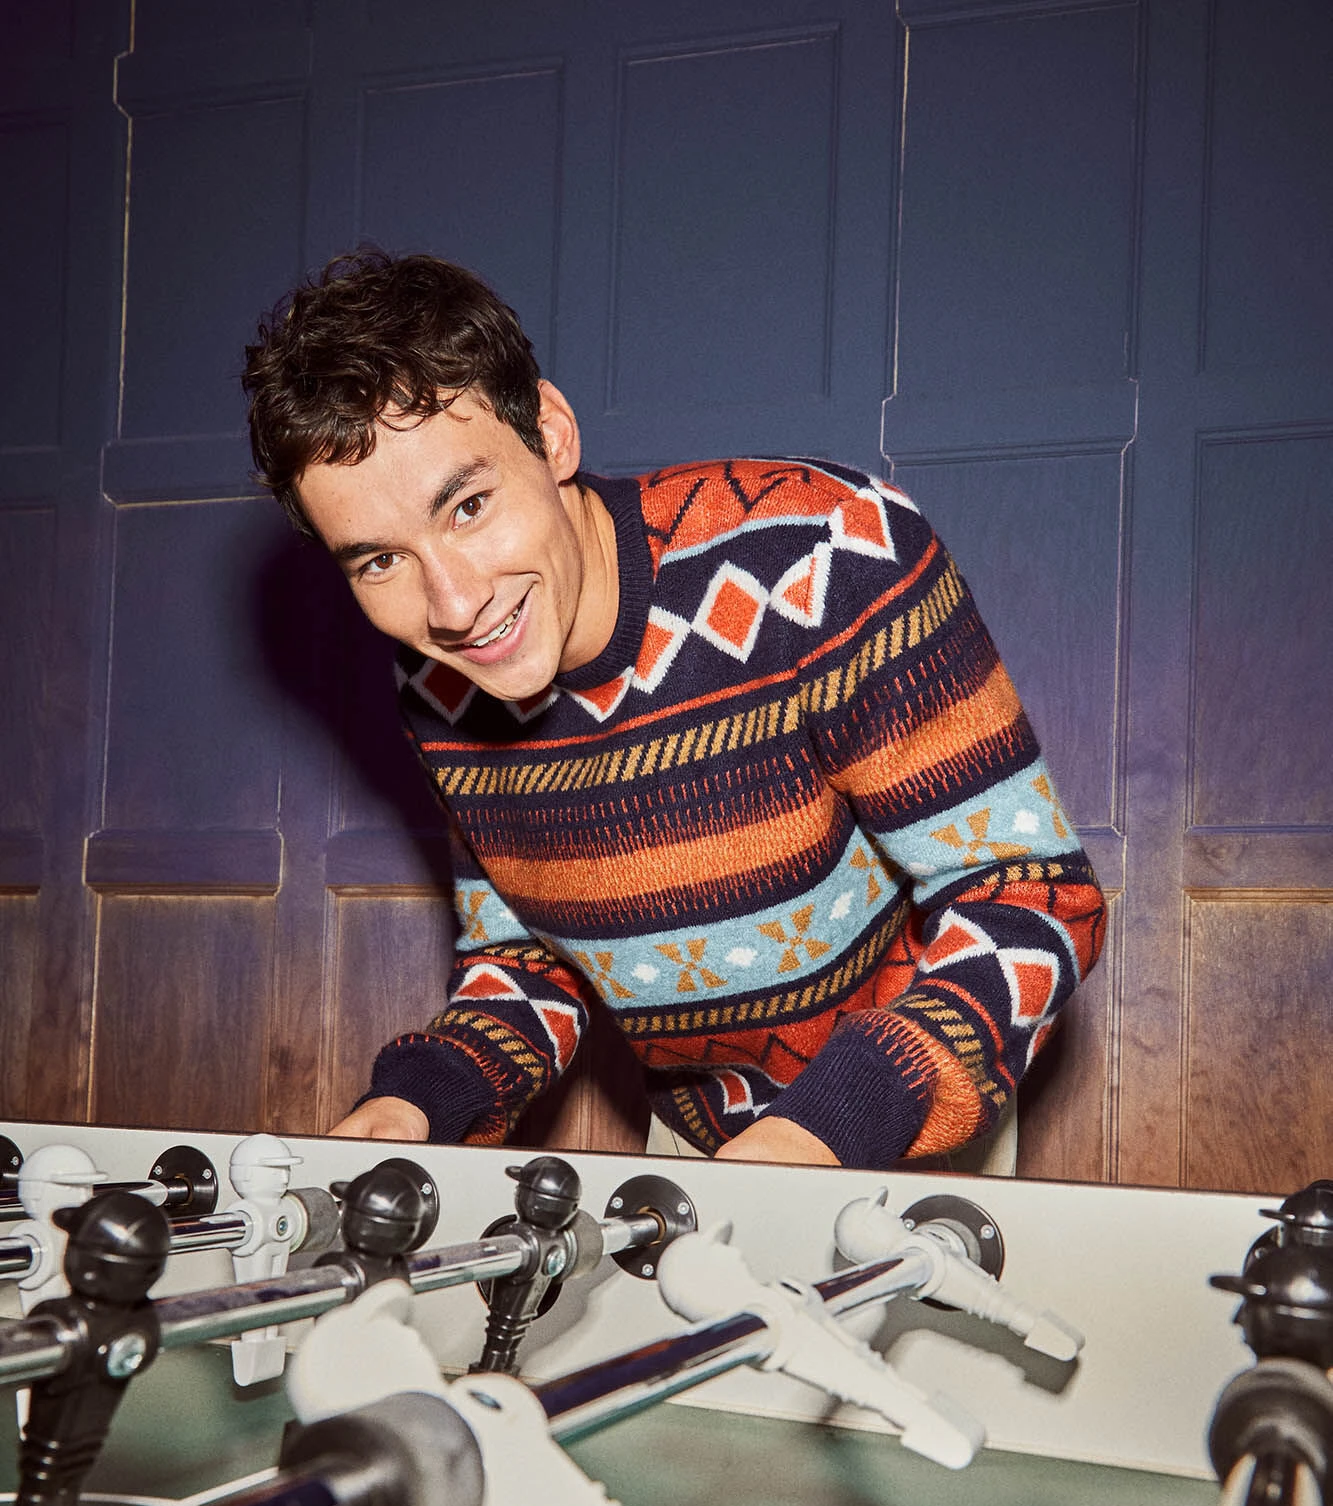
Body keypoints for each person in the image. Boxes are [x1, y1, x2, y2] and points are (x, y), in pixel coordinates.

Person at [242, 250, 1105, 1169]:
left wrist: (829, 1126)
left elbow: (1029, 895)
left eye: (468, 506)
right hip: (696, 1144)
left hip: (909, 1118)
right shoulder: (440, 683)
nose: (452, 606)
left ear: (552, 435)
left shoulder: (825, 548)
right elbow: (527, 960)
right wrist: (417, 1101)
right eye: (380, 560)